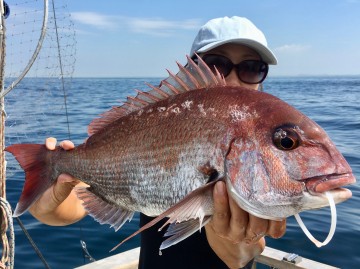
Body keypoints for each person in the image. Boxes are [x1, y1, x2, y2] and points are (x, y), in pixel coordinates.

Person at [29, 16, 286, 269]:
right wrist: (49, 195)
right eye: (216, 65)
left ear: (262, 79)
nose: (231, 80)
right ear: (190, 71)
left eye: (251, 68)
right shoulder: (161, 119)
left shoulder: (262, 150)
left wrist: (241, 240)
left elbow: (238, 258)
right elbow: (62, 211)